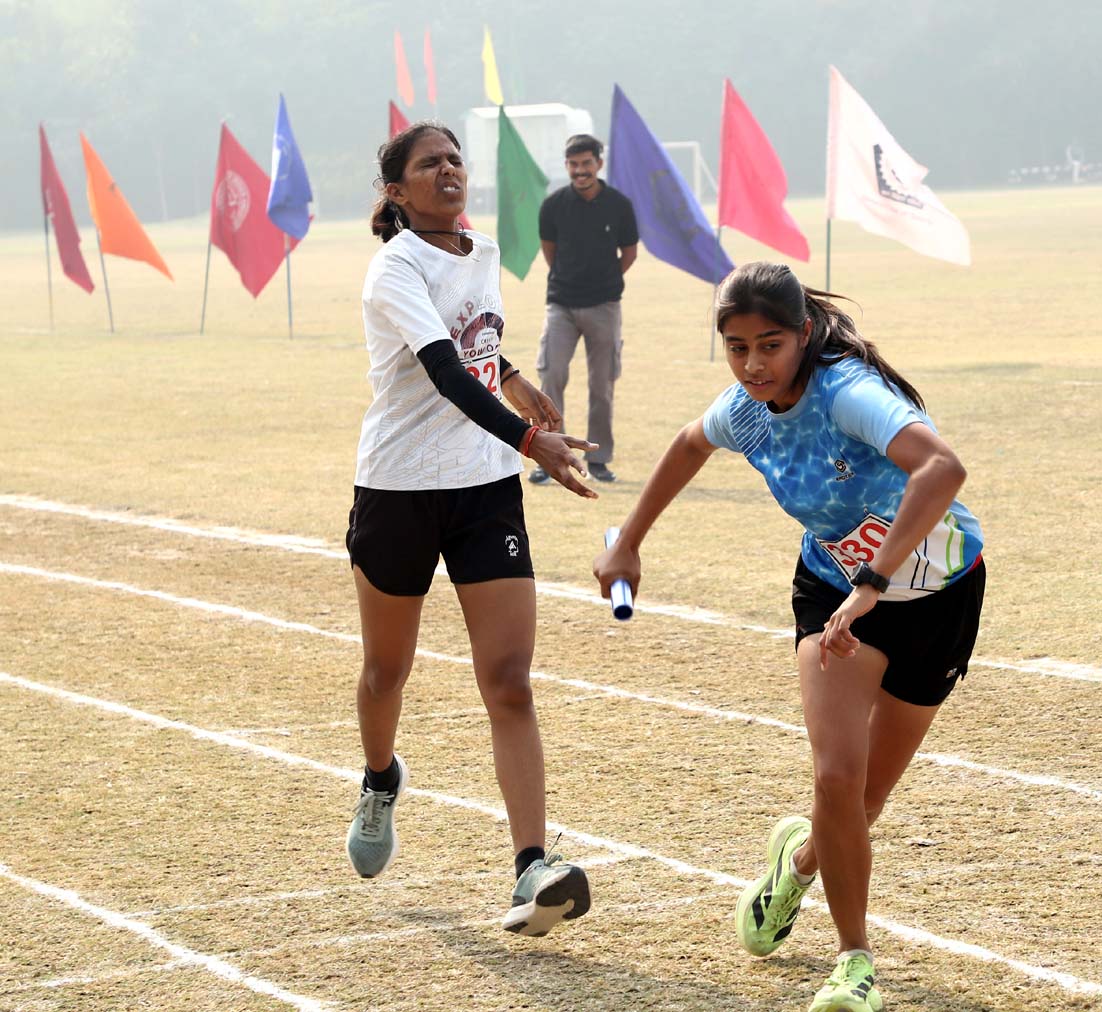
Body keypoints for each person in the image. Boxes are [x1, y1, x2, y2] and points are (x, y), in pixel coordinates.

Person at [594, 262, 985, 1011]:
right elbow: (686, 445)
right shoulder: (745, 409)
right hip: (832, 596)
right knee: (836, 778)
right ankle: (854, 964)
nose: (753, 365)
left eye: (769, 344)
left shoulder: (849, 395)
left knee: (861, 805)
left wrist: (877, 578)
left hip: (940, 594)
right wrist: (629, 542)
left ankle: (798, 865)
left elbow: (943, 468)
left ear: (805, 333)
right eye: (736, 348)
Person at [346, 121, 597, 937]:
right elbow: (446, 372)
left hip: (485, 490)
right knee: (387, 672)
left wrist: (520, 380)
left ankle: (533, 867)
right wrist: (534, 441)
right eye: (429, 164)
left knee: (510, 679)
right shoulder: (394, 267)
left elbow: (479, 340)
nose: (449, 171)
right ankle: (381, 779)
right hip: (399, 490)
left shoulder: (477, 250)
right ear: (396, 191)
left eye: (455, 159)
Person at [528, 134, 639, 485]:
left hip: (604, 305)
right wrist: (571, 281)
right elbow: (550, 252)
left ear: (598, 164)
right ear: (567, 167)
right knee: (552, 376)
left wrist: (604, 280)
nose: (580, 171)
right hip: (561, 304)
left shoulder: (619, 205)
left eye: (586, 164)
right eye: (574, 165)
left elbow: (630, 252)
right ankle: (549, 457)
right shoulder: (553, 206)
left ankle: (599, 459)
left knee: (602, 385)